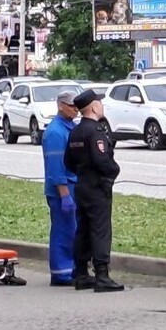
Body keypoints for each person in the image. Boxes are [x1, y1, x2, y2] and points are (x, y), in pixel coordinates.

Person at [64, 89, 124, 293]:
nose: (102, 105)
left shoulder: (75, 131)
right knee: (100, 230)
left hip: (81, 185)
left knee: (83, 229)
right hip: (97, 186)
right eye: (100, 102)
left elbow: (68, 161)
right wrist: (114, 171)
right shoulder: (95, 131)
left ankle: (81, 274)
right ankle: (102, 275)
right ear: (94, 107)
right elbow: (102, 160)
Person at [42, 90, 79, 287]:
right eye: (72, 106)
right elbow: (55, 167)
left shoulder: (70, 127)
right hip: (61, 190)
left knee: (71, 230)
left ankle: (70, 269)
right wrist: (64, 194)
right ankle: (61, 273)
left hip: (72, 186)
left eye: (77, 106)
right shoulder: (56, 132)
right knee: (63, 231)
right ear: (60, 105)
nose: (76, 109)